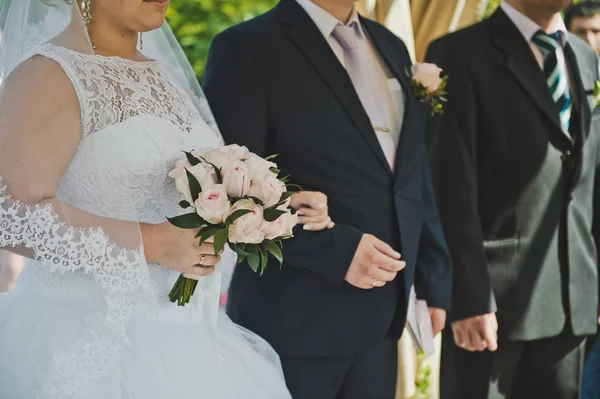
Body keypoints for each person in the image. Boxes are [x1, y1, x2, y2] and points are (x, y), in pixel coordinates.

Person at [0, 0, 333, 397]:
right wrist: (153, 242)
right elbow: (12, 216)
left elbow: (182, 186)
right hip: (88, 338)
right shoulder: (47, 74)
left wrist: (260, 207)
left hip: (189, 343)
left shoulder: (164, 75)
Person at [203, 0, 453, 398]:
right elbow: (227, 192)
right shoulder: (246, 48)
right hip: (293, 325)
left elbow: (411, 172)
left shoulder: (391, 45)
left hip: (380, 326)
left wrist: (433, 275)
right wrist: (335, 251)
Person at [425, 0, 600, 398]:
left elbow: (590, 180)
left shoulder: (585, 57)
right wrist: (468, 299)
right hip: (491, 310)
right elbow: (448, 185)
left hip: (573, 303)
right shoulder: (457, 53)